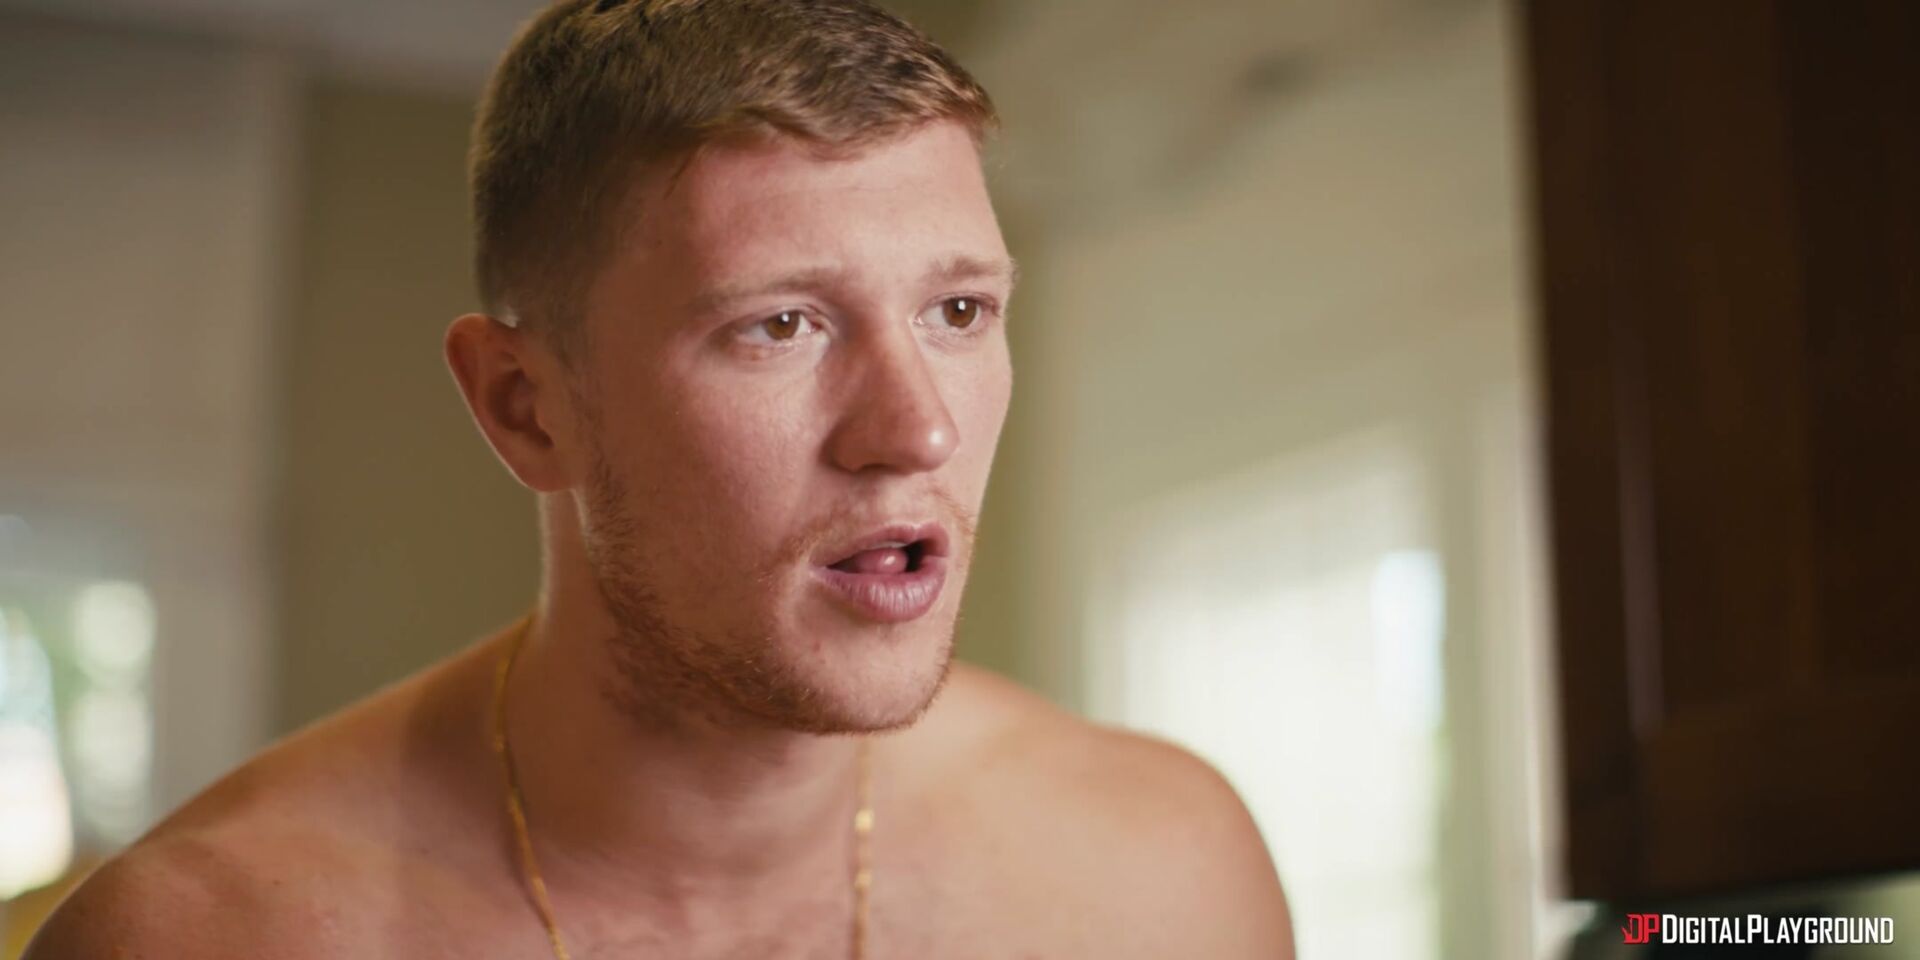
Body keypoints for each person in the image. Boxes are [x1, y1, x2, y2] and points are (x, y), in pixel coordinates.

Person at [27, 1, 1294, 956]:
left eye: (958, 310)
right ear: (526, 408)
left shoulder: (1162, 877)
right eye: (781, 326)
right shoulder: (206, 936)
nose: (917, 433)